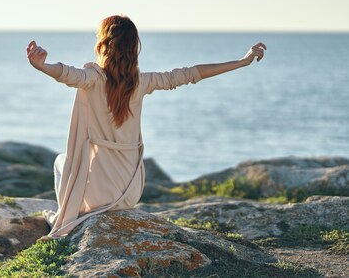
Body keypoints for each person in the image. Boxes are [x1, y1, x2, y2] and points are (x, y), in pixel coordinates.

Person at [25, 14, 266, 240]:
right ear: (132, 49)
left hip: (101, 196)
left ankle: (66, 215)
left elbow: (67, 74)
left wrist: (42, 66)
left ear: (103, 45)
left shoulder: (93, 79)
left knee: (62, 161)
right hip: (129, 192)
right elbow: (192, 73)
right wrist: (242, 61)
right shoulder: (142, 82)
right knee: (72, 161)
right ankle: (70, 213)